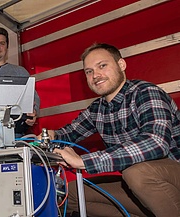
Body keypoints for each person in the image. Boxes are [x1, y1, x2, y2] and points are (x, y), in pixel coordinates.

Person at [42, 43, 180, 216]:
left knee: (136, 173)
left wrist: (85, 161)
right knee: (74, 193)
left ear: (121, 65)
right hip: (143, 186)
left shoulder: (146, 92)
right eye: (89, 71)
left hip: (171, 177)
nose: (95, 75)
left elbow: (156, 142)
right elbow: (68, 133)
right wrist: (51, 136)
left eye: (102, 66)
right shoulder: (97, 109)